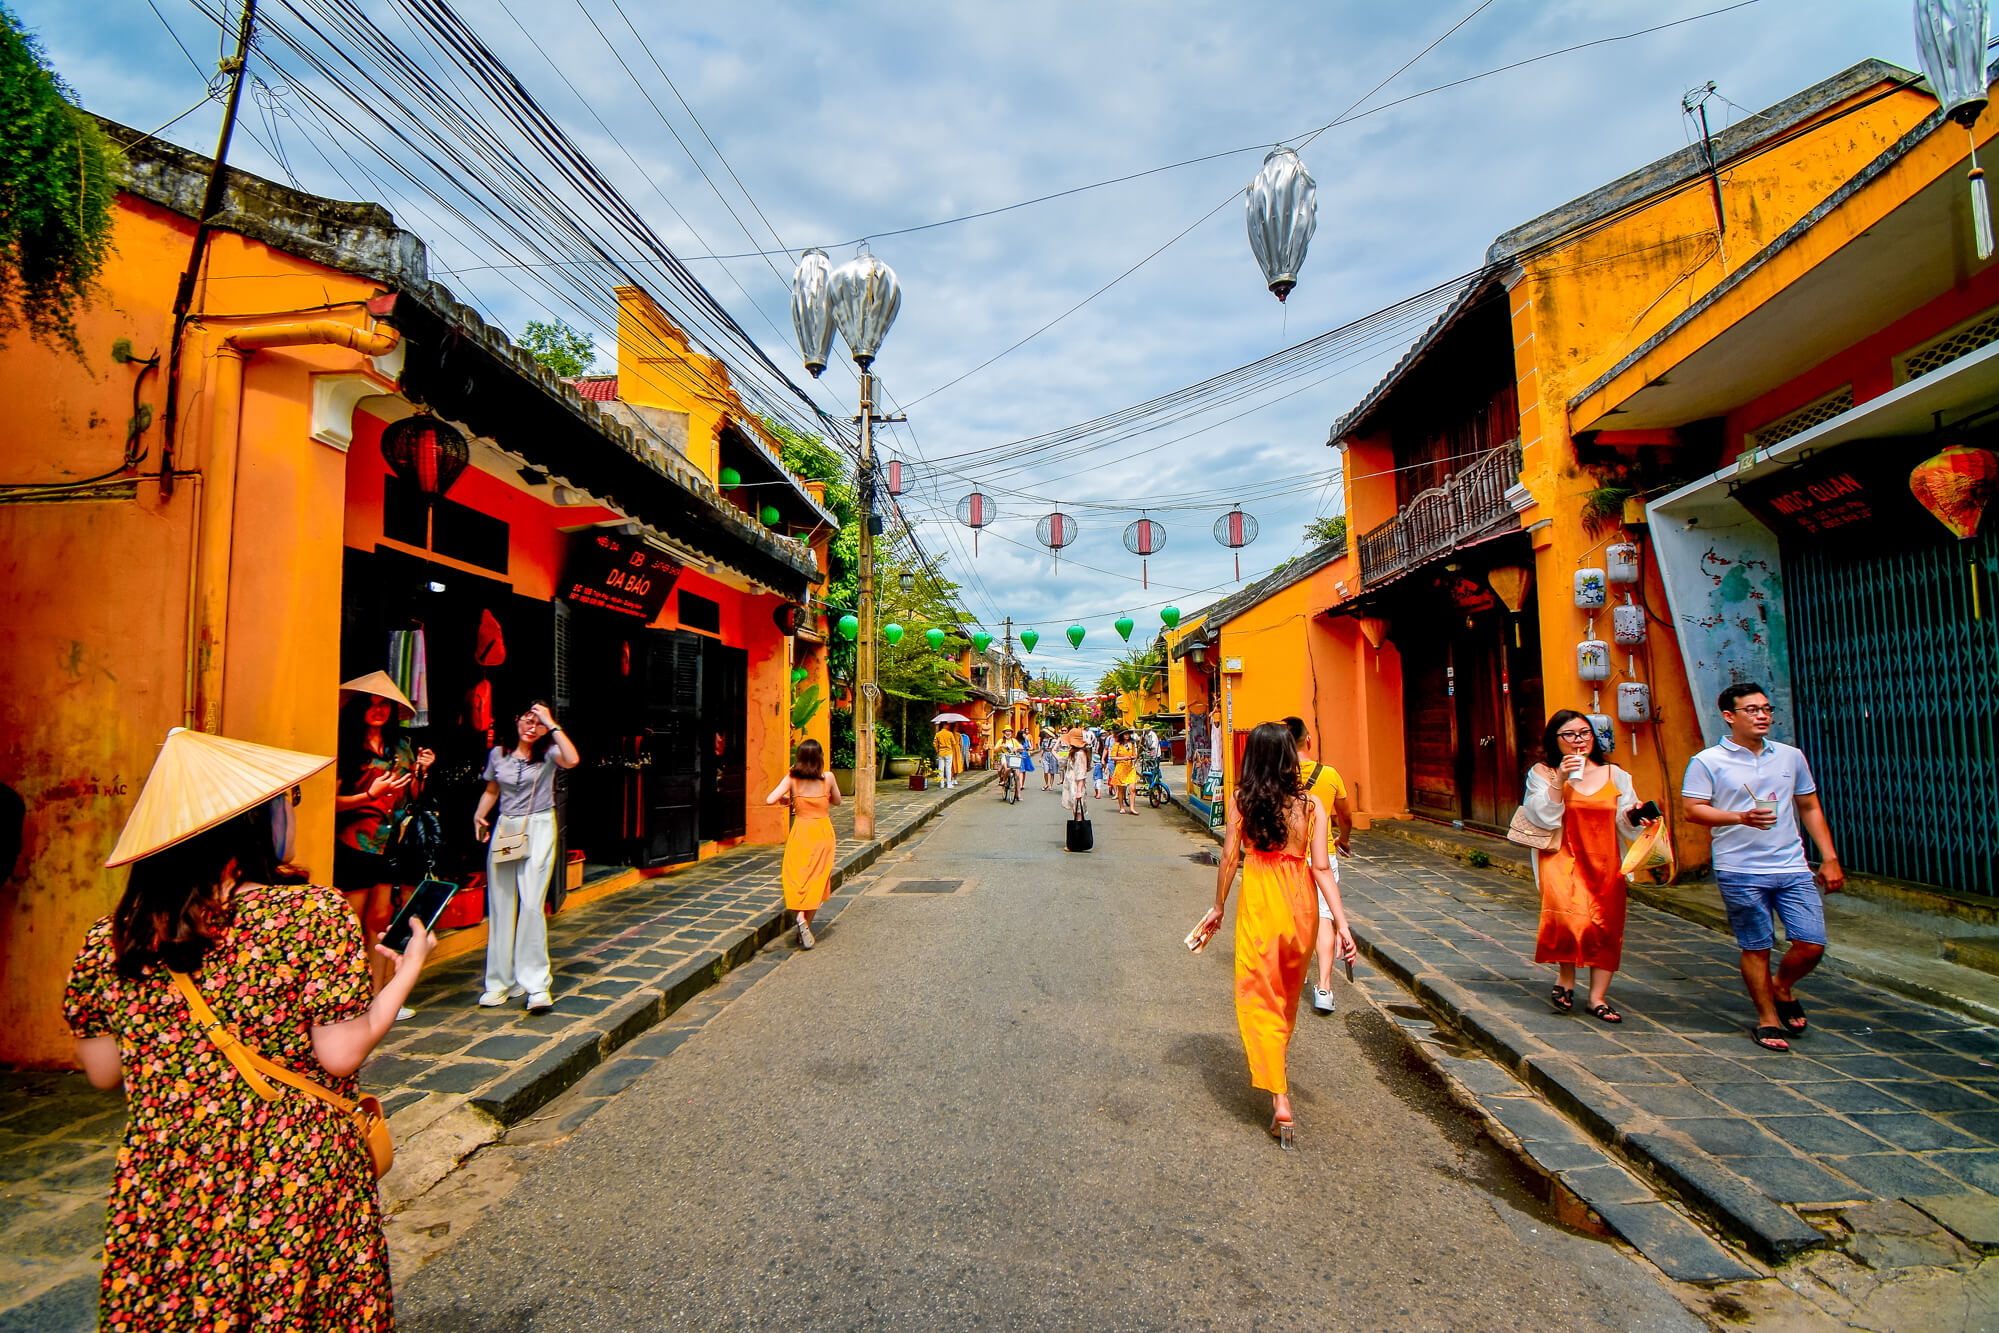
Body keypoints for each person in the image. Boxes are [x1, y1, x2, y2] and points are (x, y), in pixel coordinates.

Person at [66, 726, 432, 1329]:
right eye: (284, 805)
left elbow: (105, 1071)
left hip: (167, 1182)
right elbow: (340, 1053)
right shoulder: (307, 914)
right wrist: (406, 972)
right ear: (251, 826)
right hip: (290, 1177)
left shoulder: (111, 938)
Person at [1191, 722, 1357, 1148]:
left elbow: (1230, 857)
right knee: (1284, 997)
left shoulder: (1242, 801)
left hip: (1261, 903)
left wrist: (1218, 907)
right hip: (1300, 907)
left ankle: (1280, 1098)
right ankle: (1277, 1071)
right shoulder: (1312, 806)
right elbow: (1321, 867)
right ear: (1288, 757)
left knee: (1257, 994)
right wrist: (1341, 922)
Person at [1681, 682, 1843, 1052]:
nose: (1762, 716)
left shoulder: (1790, 756)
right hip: (1739, 868)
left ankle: (1782, 985)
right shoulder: (1707, 761)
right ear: (1729, 716)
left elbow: (1809, 806)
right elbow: (1693, 810)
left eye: (1766, 709)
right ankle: (1768, 1018)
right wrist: (1740, 817)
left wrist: (1829, 857)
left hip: (1792, 864)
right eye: (1752, 710)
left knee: (1812, 943)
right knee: (1757, 945)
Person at [1520, 709, 1650, 1024]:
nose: (1579, 740)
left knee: (1606, 925)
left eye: (1585, 733)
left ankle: (1597, 998)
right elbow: (1541, 816)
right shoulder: (1543, 773)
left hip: (1606, 861)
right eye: (1570, 735)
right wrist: (1561, 778)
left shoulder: (1616, 776)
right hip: (1561, 859)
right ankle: (1566, 977)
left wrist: (1636, 815)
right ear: (1555, 740)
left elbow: (1624, 821)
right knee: (1568, 918)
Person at [473, 701, 580, 1013]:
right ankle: (499, 982)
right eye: (528, 720)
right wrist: (479, 816)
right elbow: (492, 790)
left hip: (540, 826)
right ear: (516, 720)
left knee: (532, 903)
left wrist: (553, 724)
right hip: (507, 828)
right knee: (502, 904)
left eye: (539, 723)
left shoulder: (549, 754)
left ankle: (535, 983)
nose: (532, 727)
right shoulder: (499, 754)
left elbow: (572, 760)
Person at [334, 673, 433, 1006]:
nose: (378, 711)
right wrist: (368, 795)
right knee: (351, 923)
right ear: (359, 708)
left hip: (390, 843)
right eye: (371, 704)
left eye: (384, 705)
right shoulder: (345, 746)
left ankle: (379, 996)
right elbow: (330, 802)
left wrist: (421, 772)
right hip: (355, 844)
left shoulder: (400, 747)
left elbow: (410, 798)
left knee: (379, 923)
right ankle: (349, 1000)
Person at [1281, 718, 1353, 1014]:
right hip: (1323, 855)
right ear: (1307, 740)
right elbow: (1346, 816)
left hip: (1291, 857)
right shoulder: (1330, 774)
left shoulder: (1280, 776)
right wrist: (1343, 839)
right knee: (1325, 918)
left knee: (1292, 918)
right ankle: (1324, 987)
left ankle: (1288, 979)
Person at [768, 738, 841, 949]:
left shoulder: (793, 778)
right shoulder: (827, 778)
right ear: (820, 758)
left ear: (799, 758)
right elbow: (837, 801)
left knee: (798, 877)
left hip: (800, 832)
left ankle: (800, 917)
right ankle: (804, 925)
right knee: (817, 880)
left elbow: (770, 799)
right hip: (822, 833)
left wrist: (786, 799)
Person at [1110, 729, 1140, 815]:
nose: (1127, 736)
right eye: (1125, 734)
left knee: (1132, 788)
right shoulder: (1117, 745)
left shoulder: (1132, 744)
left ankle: (1132, 808)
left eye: (1128, 734)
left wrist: (1133, 757)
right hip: (1120, 768)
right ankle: (1122, 807)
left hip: (1130, 768)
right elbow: (1112, 757)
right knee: (1121, 790)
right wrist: (1123, 758)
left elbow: (1134, 755)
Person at [933, 721, 957, 788]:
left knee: (940, 768)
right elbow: (954, 743)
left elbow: (934, 744)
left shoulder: (938, 734)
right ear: (945, 725)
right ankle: (948, 784)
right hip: (949, 752)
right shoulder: (950, 734)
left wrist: (937, 751)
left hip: (941, 752)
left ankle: (941, 784)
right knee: (948, 768)